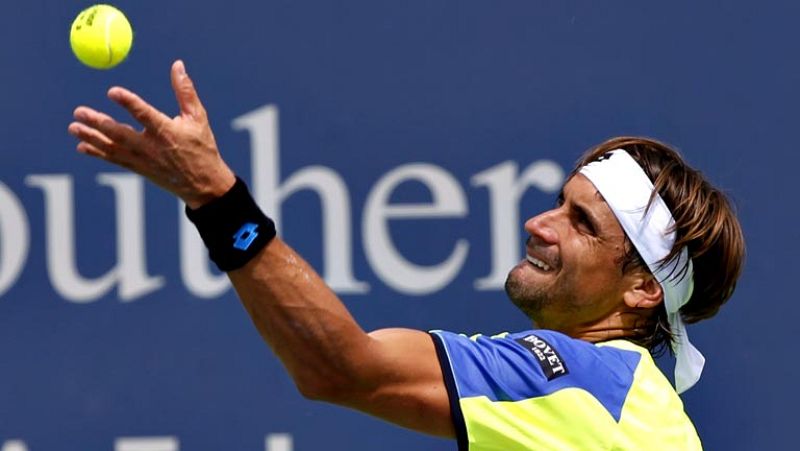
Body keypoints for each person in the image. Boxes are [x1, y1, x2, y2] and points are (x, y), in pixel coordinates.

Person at [68, 60, 744, 450]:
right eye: (557, 201)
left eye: (581, 222)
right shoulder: (627, 401)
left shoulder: (579, 379)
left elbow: (339, 367)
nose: (539, 224)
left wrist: (216, 197)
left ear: (642, 290)